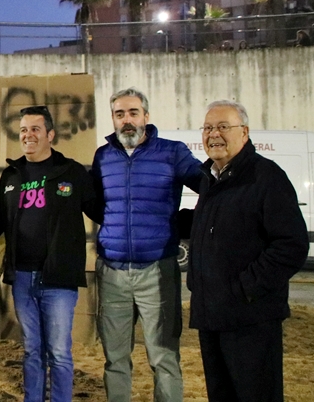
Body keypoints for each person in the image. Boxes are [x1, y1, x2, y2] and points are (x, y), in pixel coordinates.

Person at [188, 100, 309, 402]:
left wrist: (246, 288)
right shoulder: (211, 179)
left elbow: (291, 245)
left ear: (245, 132)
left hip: (250, 319)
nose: (214, 134)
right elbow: (210, 227)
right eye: (208, 128)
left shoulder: (266, 177)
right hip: (212, 316)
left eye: (223, 127)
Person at [89, 88, 200, 402]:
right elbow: (97, 204)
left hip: (157, 271)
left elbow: (209, 187)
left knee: (163, 356)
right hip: (111, 272)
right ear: (113, 118)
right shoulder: (103, 156)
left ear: (146, 117)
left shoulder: (172, 152)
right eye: (120, 114)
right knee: (115, 358)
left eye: (133, 113)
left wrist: (185, 221)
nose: (127, 120)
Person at [0, 105, 99, 402]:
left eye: (35, 129)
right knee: (32, 349)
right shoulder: (11, 176)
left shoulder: (72, 172)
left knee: (59, 351)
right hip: (22, 277)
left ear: (50, 134)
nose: (28, 135)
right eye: (23, 130)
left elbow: (101, 210)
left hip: (59, 279)